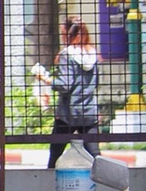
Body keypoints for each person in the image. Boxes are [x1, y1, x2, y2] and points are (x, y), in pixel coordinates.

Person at [35, 16, 102, 167]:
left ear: (67, 33)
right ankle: (107, 186)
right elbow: (96, 83)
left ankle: (49, 187)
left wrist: (47, 80)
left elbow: (65, 85)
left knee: (55, 155)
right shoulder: (93, 54)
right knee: (95, 155)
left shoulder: (67, 55)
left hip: (68, 113)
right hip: (89, 111)